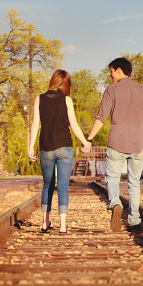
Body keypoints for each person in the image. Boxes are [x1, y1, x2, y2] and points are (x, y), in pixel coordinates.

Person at [87, 57, 143, 232]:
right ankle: (134, 220)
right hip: (136, 144)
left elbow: (101, 117)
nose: (110, 75)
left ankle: (116, 203)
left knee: (112, 178)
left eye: (111, 71)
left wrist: (89, 139)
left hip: (116, 142)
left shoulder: (112, 90)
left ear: (119, 70)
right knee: (134, 183)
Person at [28, 69, 92, 234]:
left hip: (46, 149)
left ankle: (45, 222)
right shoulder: (67, 100)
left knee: (47, 185)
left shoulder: (39, 99)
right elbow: (74, 125)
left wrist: (30, 147)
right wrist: (85, 142)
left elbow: (35, 125)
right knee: (63, 186)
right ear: (65, 84)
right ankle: (63, 226)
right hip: (64, 148)